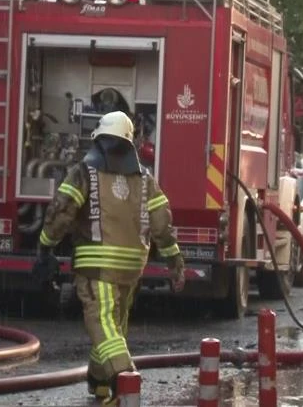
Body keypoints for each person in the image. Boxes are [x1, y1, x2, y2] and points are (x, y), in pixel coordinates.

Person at [34, 111, 185, 405]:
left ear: (98, 140)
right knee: (115, 325)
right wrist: (173, 260)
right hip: (132, 266)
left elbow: (61, 212)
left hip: (96, 265)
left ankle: (125, 379)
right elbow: (161, 224)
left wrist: (44, 247)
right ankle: (100, 380)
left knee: (101, 322)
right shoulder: (145, 179)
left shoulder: (84, 172)